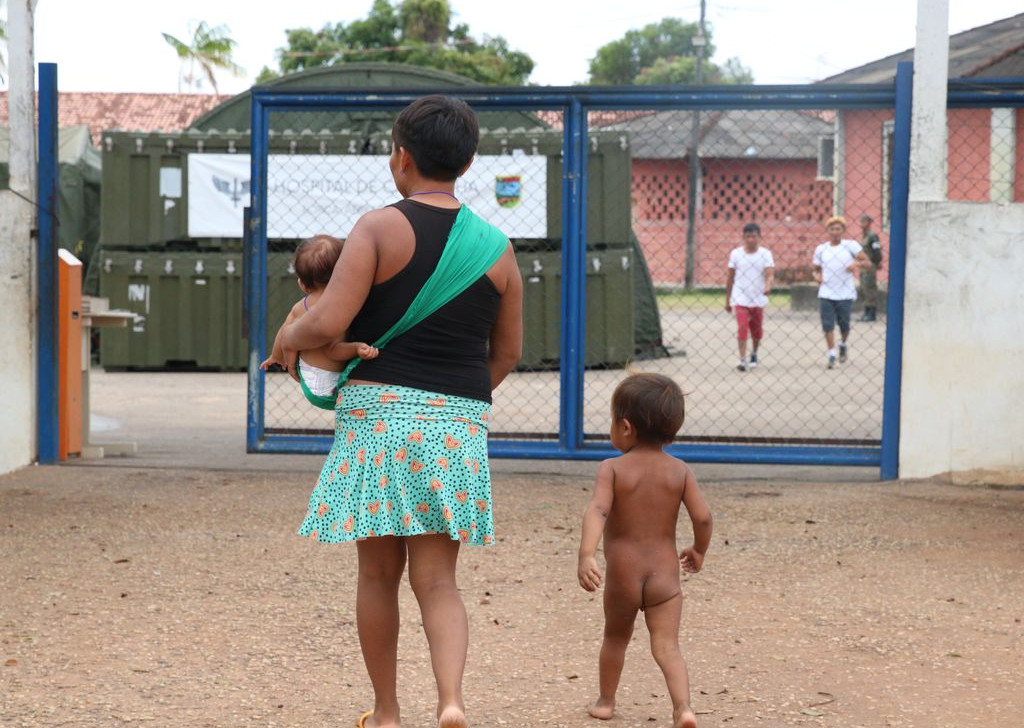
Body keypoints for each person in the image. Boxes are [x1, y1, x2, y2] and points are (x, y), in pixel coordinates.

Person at [264, 95, 524, 728]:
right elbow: (509, 354)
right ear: (466, 161)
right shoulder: (498, 248)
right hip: (456, 425)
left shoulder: (378, 228)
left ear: (400, 158)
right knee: (439, 579)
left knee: (378, 575)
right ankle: (452, 701)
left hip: (378, 421)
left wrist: (285, 339)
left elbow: (328, 319)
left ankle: (386, 711)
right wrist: (449, 407)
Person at [577, 373, 713, 728]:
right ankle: (683, 708)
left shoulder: (612, 469)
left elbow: (598, 510)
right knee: (667, 645)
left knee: (615, 639)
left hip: (624, 573)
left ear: (625, 426)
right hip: (664, 577)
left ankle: (606, 702)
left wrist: (587, 553)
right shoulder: (680, 472)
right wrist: (699, 550)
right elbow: (703, 516)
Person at [261, 234, 379, 409]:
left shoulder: (299, 308)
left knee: (292, 329)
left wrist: (276, 356)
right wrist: (355, 348)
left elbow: (284, 333)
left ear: (302, 284)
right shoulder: (344, 304)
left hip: (310, 380)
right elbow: (332, 352)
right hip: (330, 387)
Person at [812, 216, 870, 369]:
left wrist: (855, 264)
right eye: (832, 229)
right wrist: (817, 276)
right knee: (827, 324)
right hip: (826, 292)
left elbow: (867, 262)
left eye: (838, 229)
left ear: (843, 231)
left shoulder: (850, 246)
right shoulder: (822, 249)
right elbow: (816, 268)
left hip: (845, 292)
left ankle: (843, 343)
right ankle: (831, 353)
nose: (835, 232)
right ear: (828, 231)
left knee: (844, 324)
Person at [724, 222, 774, 372]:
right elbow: (730, 277)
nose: (751, 239)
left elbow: (770, 273)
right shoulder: (736, 254)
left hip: (757, 297)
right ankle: (742, 358)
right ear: (743, 238)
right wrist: (727, 300)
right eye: (748, 237)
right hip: (740, 297)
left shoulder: (765, 254)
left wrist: (768, 285)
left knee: (756, 331)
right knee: (742, 328)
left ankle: (754, 353)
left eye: (754, 236)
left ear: (760, 238)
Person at [857, 214, 883, 322]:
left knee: (870, 289)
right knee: (864, 289)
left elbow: (876, 251)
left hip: (870, 266)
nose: (861, 224)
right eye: (861, 221)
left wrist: (876, 263)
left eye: (863, 221)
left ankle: (871, 313)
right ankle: (866, 312)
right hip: (863, 266)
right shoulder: (865, 236)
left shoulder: (872, 236)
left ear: (868, 223)